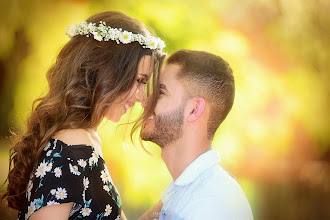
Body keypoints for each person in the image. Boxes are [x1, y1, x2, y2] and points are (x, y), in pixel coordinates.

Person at [2, 10, 165, 220]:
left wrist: (172, 197)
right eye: (140, 80)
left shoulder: (85, 139)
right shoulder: (69, 153)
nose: (142, 97)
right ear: (107, 70)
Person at [139, 50, 254, 220]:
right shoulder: (190, 189)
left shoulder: (209, 204)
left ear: (194, 110)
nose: (145, 101)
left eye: (161, 92)